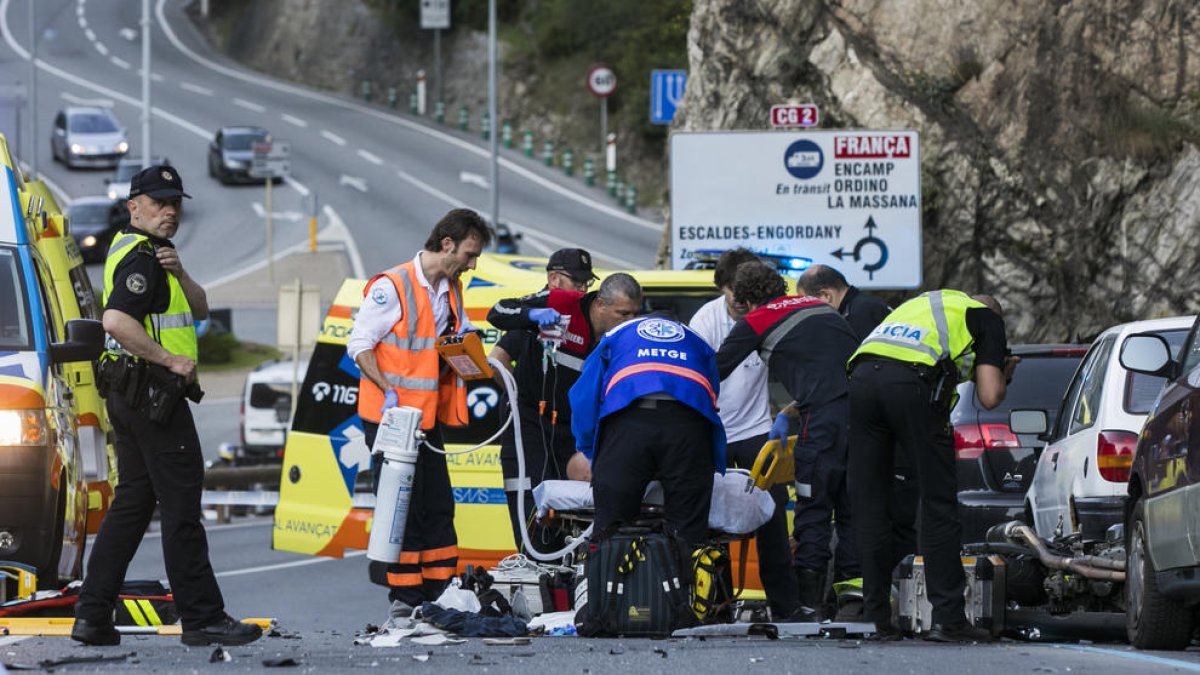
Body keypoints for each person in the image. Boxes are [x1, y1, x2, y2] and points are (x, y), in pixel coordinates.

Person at [73, 166, 262, 647]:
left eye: (175, 202)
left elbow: (198, 309)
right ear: (134, 205)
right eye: (159, 202)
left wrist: (181, 270)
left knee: (133, 504)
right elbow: (115, 321)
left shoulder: (148, 254)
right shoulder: (141, 259)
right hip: (155, 396)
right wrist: (170, 360)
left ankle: (93, 615)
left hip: (130, 398)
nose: (170, 210)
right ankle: (202, 618)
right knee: (181, 508)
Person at [847, 290, 1019, 642]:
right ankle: (949, 620)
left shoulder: (926, 306)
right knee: (937, 501)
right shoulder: (987, 319)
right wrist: (1004, 371)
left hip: (862, 381)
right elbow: (989, 396)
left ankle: (874, 618)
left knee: (871, 501)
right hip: (911, 386)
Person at [346, 208, 491, 621]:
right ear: (447, 244)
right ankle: (405, 598)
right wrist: (388, 390)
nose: (471, 263)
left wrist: (479, 360)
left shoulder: (451, 289)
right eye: (469, 254)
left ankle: (440, 592)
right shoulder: (393, 286)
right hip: (392, 419)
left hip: (426, 420)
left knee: (438, 506)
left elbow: (456, 339)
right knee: (401, 510)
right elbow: (360, 345)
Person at [713, 261, 859, 621]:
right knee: (853, 510)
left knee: (813, 509)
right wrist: (787, 413)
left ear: (744, 302)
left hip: (822, 422)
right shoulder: (819, 307)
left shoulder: (755, 321)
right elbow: (833, 370)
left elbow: (713, 371)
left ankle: (807, 610)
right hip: (865, 416)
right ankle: (855, 607)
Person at [487, 269, 642, 553]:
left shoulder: (624, 341)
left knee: (579, 513)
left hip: (575, 431)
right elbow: (498, 311)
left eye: (635, 314)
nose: (630, 322)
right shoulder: (562, 303)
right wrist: (532, 316)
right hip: (531, 423)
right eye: (624, 314)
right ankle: (538, 572)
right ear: (600, 305)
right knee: (533, 512)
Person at [689, 249, 799, 620]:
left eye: (748, 300)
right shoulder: (705, 321)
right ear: (723, 289)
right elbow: (698, 377)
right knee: (704, 520)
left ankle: (786, 608)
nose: (742, 306)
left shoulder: (768, 317)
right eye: (735, 298)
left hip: (755, 430)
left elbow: (800, 367)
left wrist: (789, 412)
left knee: (770, 520)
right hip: (713, 429)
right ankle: (706, 604)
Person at [568, 315, 725, 551]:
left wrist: (591, 449)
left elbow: (583, 398)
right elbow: (712, 392)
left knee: (612, 530)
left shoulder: (616, 335)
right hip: (689, 426)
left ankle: (610, 578)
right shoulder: (695, 339)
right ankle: (686, 581)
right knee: (688, 534)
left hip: (629, 422)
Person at [798, 264, 892, 342]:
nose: (807, 309)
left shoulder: (859, 315)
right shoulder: (864, 305)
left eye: (808, 302)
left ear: (826, 295)